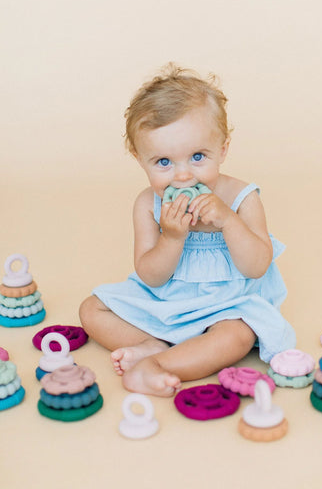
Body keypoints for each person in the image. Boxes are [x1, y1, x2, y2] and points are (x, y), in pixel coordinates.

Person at [79, 63, 296, 396]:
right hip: (166, 299)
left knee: (237, 336)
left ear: (222, 148)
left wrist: (228, 221)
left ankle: (159, 365)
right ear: (141, 159)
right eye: (164, 162)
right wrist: (173, 237)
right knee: (92, 309)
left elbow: (257, 267)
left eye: (198, 156)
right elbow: (150, 276)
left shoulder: (242, 198)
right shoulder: (146, 204)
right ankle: (151, 344)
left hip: (228, 305)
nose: (183, 176)